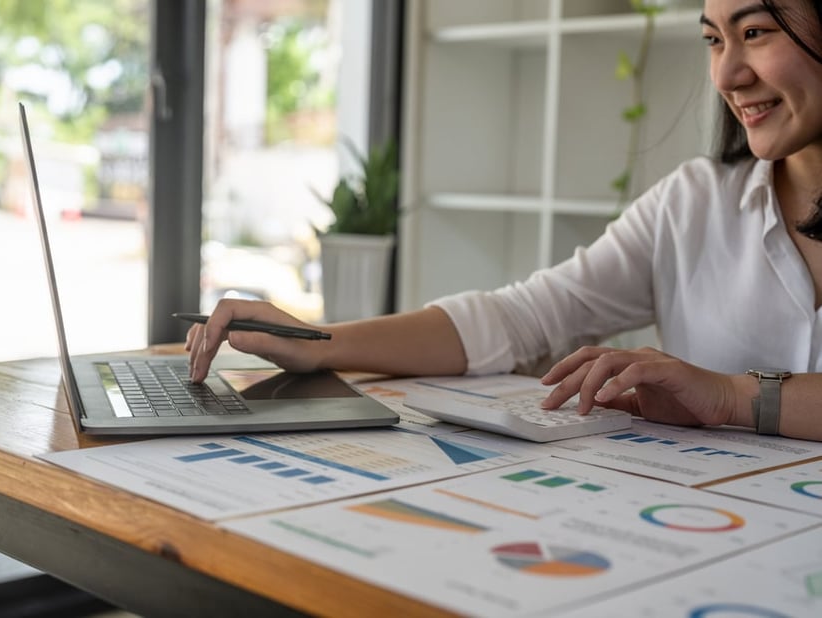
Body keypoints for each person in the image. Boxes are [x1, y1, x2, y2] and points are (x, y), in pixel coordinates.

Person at [186, 0, 822, 442]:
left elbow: (724, 396)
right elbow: (520, 318)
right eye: (714, 39)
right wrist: (322, 342)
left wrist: (733, 397)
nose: (727, 74)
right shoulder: (695, 203)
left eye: (756, 32)